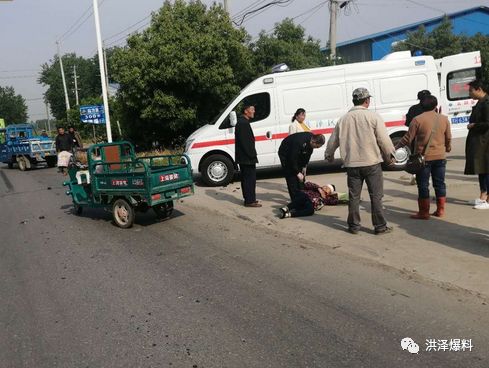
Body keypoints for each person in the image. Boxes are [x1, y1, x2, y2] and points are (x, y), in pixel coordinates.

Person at [325, 87, 395, 235]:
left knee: (354, 197)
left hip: (352, 165)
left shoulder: (343, 119)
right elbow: (384, 140)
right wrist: (390, 156)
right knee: (376, 196)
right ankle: (380, 226)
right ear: (366, 101)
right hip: (372, 163)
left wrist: (329, 155)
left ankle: (354, 226)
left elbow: (333, 141)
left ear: (354, 101)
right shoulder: (373, 117)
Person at [396, 95, 452, 219]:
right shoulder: (444, 119)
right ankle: (440, 210)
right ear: (435, 105)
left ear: (421, 105)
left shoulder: (417, 120)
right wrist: (447, 147)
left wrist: (396, 147)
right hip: (440, 157)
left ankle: (424, 212)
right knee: (440, 183)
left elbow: (407, 138)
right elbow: (448, 137)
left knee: (423, 185)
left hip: (423, 158)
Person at [278, 132, 326, 200]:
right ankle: (295, 200)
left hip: (297, 154)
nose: (317, 148)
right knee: (291, 176)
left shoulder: (311, 142)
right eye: (317, 146)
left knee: (301, 179)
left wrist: (304, 166)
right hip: (286, 153)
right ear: (313, 142)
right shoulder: (299, 142)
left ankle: (302, 196)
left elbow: (307, 155)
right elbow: (292, 159)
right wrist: (297, 172)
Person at [464, 79, 489, 210]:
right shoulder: (480, 102)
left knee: (486, 168)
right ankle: (482, 196)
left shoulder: (487, 103)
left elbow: (488, 122)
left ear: (479, 89)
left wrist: (474, 125)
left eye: (471, 90)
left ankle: (487, 199)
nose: (470, 93)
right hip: (479, 141)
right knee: (481, 168)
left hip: (485, 141)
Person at [235, 104, 261, 207]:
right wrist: (252, 155)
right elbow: (245, 143)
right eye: (252, 109)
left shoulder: (243, 122)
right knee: (248, 179)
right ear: (246, 111)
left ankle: (251, 199)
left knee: (250, 179)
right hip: (246, 158)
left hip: (246, 157)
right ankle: (249, 201)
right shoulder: (242, 123)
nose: (254, 111)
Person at [405, 90, 431, 185]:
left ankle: (414, 175)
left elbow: (407, 123)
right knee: (426, 158)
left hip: (415, 137)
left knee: (416, 157)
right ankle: (425, 178)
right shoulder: (431, 109)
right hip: (428, 137)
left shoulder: (413, 109)